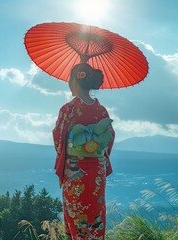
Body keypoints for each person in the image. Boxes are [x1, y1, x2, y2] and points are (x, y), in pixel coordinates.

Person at [52, 63, 115, 239]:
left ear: (74, 81)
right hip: (96, 170)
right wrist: (99, 155)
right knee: (95, 213)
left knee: (76, 214)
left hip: (74, 169)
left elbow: (59, 137)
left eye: (69, 78)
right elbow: (109, 137)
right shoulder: (101, 110)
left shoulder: (68, 109)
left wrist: (62, 167)